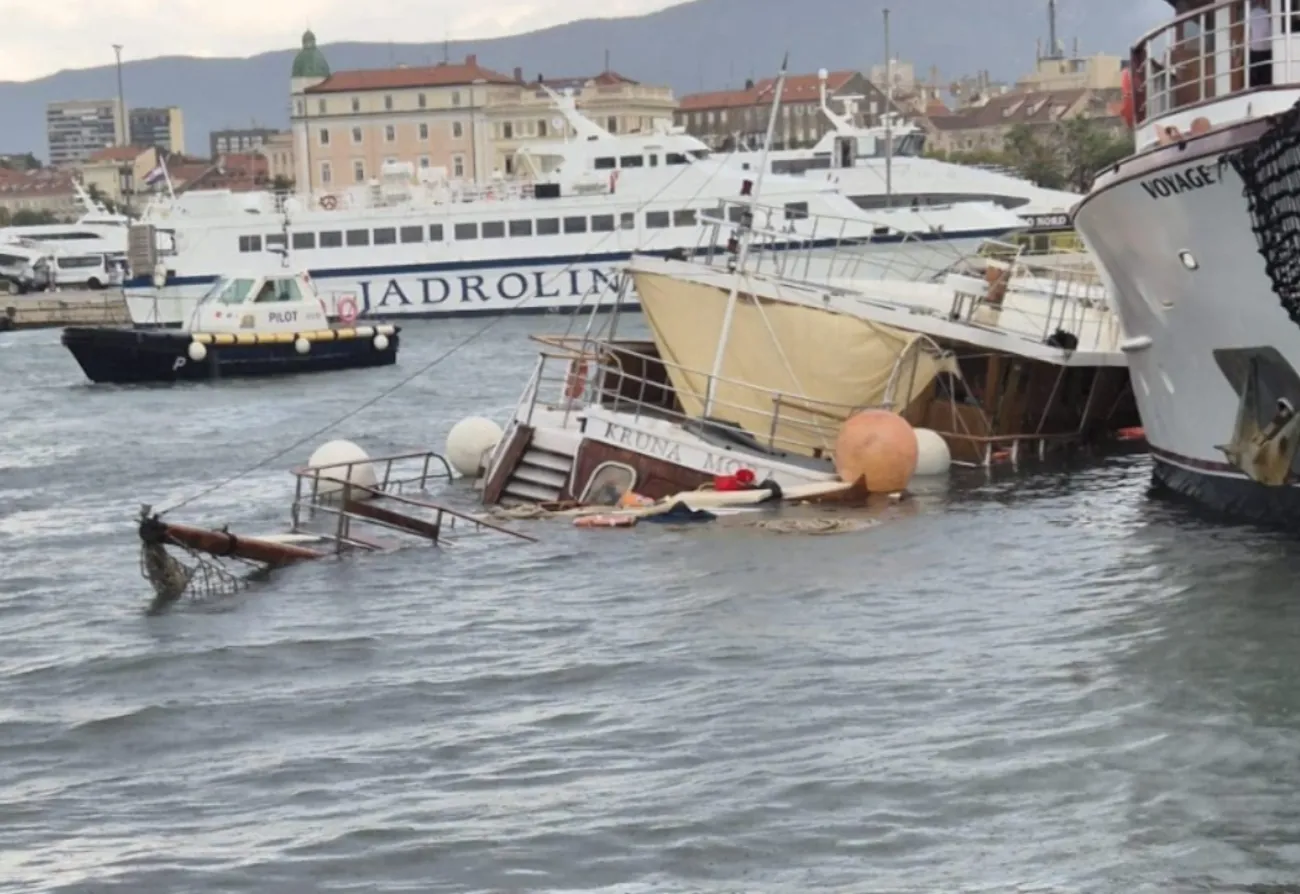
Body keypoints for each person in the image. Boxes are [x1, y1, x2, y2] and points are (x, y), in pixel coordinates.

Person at [1250, 0, 1273, 88]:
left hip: (1257, 50)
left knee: (1256, 79)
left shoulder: (1251, 14)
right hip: (1265, 50)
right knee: (1265, 79)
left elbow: (1247, 33)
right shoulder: (1267, 13)